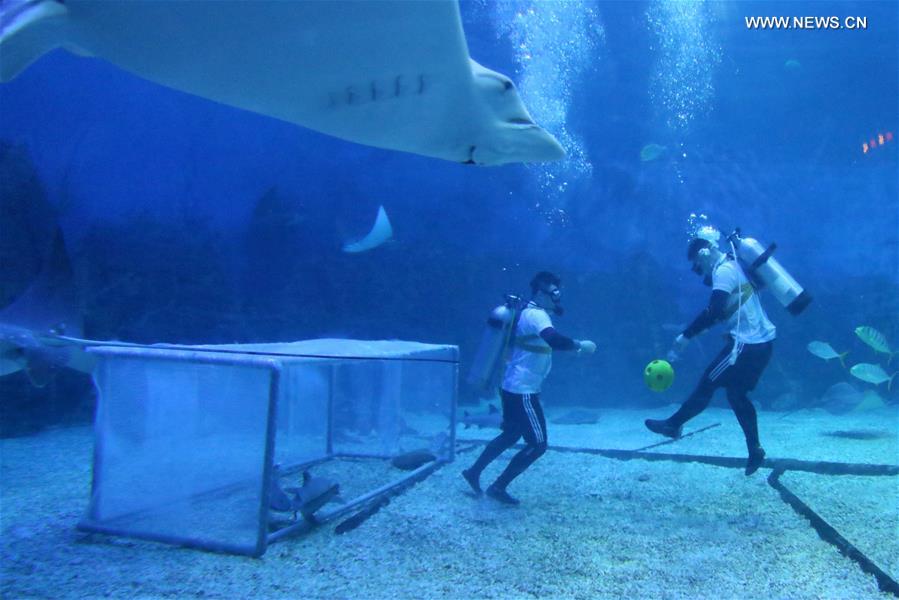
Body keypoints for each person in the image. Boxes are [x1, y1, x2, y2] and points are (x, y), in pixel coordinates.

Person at [644, 229, 775, 475]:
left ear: (704, 253)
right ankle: (755, 449)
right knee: (737, 395)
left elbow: (713, 311)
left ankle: (673, 425)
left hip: (746, 346)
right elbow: (726, 310)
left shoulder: (723, 270)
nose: (699, 271)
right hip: (762, 344)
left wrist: (686, 336)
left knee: (708, 382)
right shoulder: (734, 265)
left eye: (697, 265)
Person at [462, 271, 596, 504]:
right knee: (538, 444)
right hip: (523, 390)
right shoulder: (536, 316)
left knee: (511, 433)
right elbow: (554, 340)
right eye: (554, 292)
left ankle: (473, 472)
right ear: (543, 292)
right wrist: (580, 345)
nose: (557, 298)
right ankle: (498, 486)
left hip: (512, 386)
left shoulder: (528, 312)